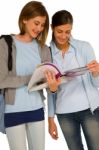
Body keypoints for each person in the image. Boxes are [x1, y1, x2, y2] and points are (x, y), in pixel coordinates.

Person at [0, 1, 49, 150]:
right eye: (36, 23)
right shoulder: (5, 43)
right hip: (13, 110)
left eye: (42, 25)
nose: (39, 28)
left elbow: (48, 79)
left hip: (36, 109)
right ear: (24, 19)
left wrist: (52, 81)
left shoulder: (43, 48)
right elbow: (1, 80)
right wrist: (30, 78)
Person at [47, 10, 99, 150]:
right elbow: (50, 92)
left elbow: (96, 84)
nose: (63, 36)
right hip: (64, 114)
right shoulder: (47, 54)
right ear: (52, 27)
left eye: (67, 31)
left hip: (90, 110)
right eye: (59, 31)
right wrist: (51, 119)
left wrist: (96, 73)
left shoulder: (84, 47)